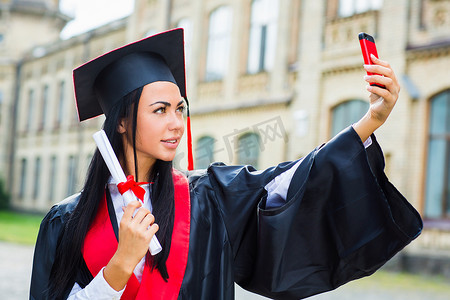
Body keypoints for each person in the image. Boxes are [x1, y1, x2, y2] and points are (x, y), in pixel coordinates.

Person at [30, 28, 422, 300]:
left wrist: (370, 120)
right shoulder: (67, 221)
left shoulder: (208, 199)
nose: (175, 123)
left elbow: (290, 181)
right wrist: (120, 264)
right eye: (160, 110)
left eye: (179, 109)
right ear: (121, 121)